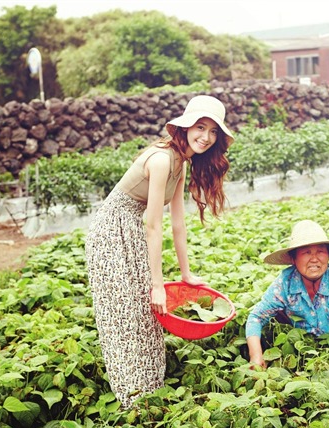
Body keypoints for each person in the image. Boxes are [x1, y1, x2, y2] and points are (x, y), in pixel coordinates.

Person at [85, 95, 234, 409]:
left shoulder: (181, 162)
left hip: (131, 229)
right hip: (112, 230)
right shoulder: (162, 159)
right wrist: (157, 285)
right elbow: (154, 223)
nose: (205, 137)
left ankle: (150, 387)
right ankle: (131, 396)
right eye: (200, 127)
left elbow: (177, 223)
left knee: (146, 311)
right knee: (126, 311)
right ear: (186, 126)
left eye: (212, 132)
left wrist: (185, 273)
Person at [245, 220, 329, 368]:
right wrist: (256, 356)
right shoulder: (285, 282)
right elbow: (256, 317)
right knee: (275, 312)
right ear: (293, 259)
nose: (314, 259)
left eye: (320, 252)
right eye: (306, 252)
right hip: (309, 329)